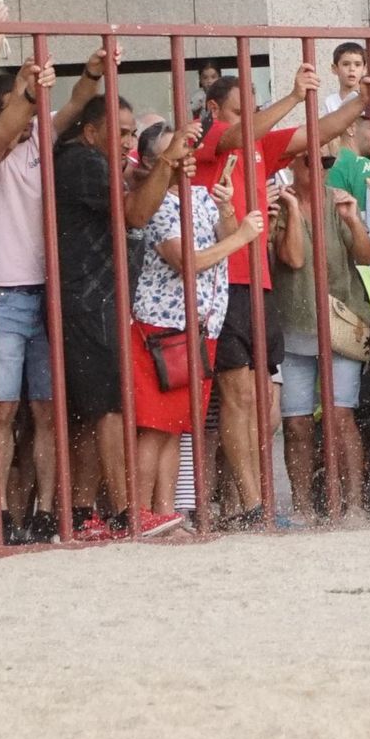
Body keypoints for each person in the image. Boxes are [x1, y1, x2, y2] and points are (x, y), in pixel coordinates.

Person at [191, 64, 370, 526]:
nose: (251, 118)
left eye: (253, 109)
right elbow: (238, 136)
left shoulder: (258, 142)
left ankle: (252, 504)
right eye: (241, 110)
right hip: (220, 280)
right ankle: (252, 506)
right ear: (214, 109)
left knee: (265, 407)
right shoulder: (210, 140)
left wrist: (362, 100)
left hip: (258, 284)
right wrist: (294, 97)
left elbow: (319, 133)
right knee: (238, 399)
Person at [55, 96, 198, 539]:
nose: (127, 142)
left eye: (130, 133)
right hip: (91, 300)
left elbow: (130, 197)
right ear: (91, 131)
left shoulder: (89, 161)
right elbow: (136, 212)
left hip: (96, 299)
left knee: (95, 412)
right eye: (118, 133)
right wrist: (166, 165)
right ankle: (124, 513)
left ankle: (84, 515)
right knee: (112, 409)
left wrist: (154, 172)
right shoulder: (82, 161)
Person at [0, 55, 104, 544]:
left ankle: (50, 511)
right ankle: (2, 514)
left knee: (48, 413)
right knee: (2, 412)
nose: (31, 115)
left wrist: (91, 72)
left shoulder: (41, 143)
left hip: (46, 295)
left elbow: (76, 101)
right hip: (1, 296)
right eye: (20, 106)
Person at [129, 125, 262, 522]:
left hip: (201, 327)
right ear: (153, 162)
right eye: (177, 149)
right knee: (155, 427)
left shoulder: (199, 195)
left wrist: (226, 211)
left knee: (176, 427)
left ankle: (165, 515)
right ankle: (139, 513)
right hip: (162, 329)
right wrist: (241, 237)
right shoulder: (155, 206)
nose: (187, 155)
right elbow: (187, 261)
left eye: (188, 147)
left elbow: (219, 235)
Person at [271, 150, 370, 522]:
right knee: (296, 423)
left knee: (340, 415)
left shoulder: (338, 202)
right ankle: (303, 508)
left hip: (341, 323)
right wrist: (294, 211)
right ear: (291, 164)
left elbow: (366, 256)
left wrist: (353, 220)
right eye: (310, 161)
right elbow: (294, 259)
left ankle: (353, 505)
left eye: (327, 162)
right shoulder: (278, 203)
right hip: (295, 324)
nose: (320, 168)